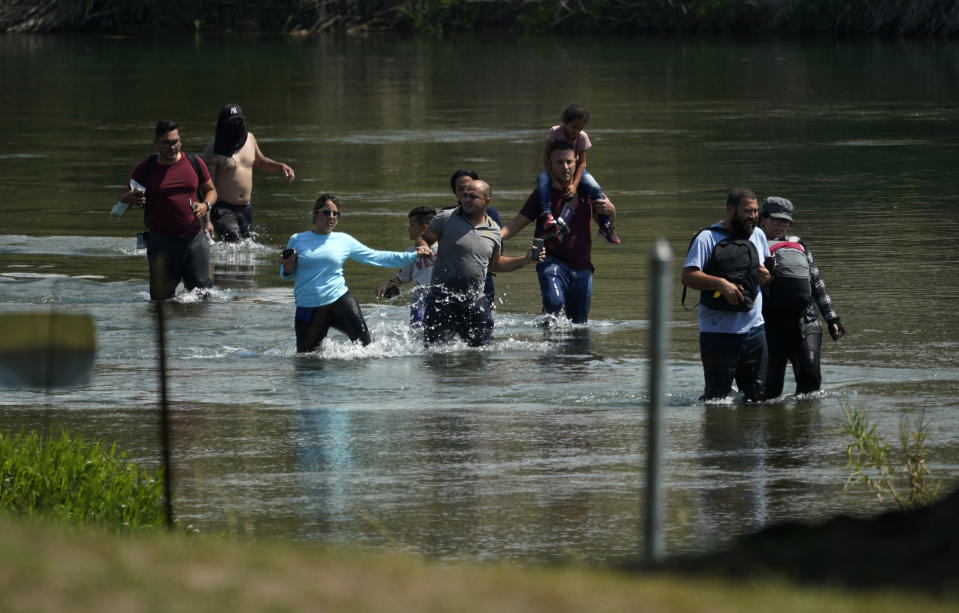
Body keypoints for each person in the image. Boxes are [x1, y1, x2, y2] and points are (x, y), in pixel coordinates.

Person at [281, 194, 432, 353]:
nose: (331, 217)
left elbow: (376, 257)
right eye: (326, 212)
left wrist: (414, 255)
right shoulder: (297, 239)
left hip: (339, 302)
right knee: (305, 361)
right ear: (316, 213)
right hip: (308, 306)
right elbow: (286, 274)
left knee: (367, 350)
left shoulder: (344, 240)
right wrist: (287, 268)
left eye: (336, 214)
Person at [500, 140, 618, 325]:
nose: (565, 167)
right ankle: (549, 350)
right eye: (559, 162)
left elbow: (605, 222)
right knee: (554, 305)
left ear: (576, 161)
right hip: (551, 262)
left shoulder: (587, 191)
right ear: (549, 164)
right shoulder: (541, 195)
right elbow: (515, 225)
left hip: (582, 267)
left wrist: (611, 211)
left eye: (569, 161)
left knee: (579, 324)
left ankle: (573, 354)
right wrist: (488, 237)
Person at [416, 180, 543, 346]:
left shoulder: (494, 231)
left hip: (474, 301)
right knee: (433, 353)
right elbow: (423, 237)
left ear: (487, 201)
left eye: (473, 197)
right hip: (442, 299)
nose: (466, 200)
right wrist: (423, 247)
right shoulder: (446, 218)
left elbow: (495, 265)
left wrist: (526, 260)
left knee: (481, 352)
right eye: (465, 195)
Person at [682, 188, 773, 402]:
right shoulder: (707, 238)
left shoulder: (758, 235)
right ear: (731, 210)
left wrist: (766, 277)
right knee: (717, 400)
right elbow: (688, 276)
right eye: (747, 212)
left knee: (758, 398)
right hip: (718, 333)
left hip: (755, 331)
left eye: (756, 211)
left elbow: (767, 278)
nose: (753, 217)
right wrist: (720, 284)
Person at [120, 119, 218, 301]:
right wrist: (132, 199)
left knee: (204, 298)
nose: (172, 147)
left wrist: (205, 206)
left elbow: (211, 191)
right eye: (166, 143)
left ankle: (198, 330)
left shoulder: (194, 162)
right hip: (161, 244)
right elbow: (124, 198)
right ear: (156, 143)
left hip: (194, 240)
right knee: (161, 301)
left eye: (175, 142)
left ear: (180, 140)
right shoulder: (145, 168)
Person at [759, 196, 845, 398]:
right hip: (769, 324)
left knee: (811, 384)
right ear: (762, 218)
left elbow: (816, 282)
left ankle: (805, 425)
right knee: (769, 392)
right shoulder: (751, 245)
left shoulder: (799, 245)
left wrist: (832, 318)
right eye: (776, 220)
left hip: (806, 321)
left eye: (785, 222)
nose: (781, 226)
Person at [203, 103, 295, 242]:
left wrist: (281, 166)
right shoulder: (214, 148)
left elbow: (261, 162)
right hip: (222, 208)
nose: (235, 125)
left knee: (247, 249)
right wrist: (207, 221)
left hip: (245, 208)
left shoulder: (250, 139)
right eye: (231, 122)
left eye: (238, 121)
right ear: (223, 124)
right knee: (234, 242)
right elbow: (206, 187)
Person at [535, 104, 620, 245]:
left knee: (595, 188)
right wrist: (554, 178)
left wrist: (574, 185)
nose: (577, 131)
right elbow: (546, 158)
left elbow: (581, 163)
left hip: (576, 170)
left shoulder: (582, 137)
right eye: (574, 127)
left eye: (580, 128)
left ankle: (605, 225)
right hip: (555, 169)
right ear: (565, 122)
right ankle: (547, 214)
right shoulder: (555, 132)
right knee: (542, 180)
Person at [446, 169, 501, 309]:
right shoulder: (446, 216)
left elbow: (497, 254)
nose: (466, 195)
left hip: (483, 278)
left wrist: (526, 259)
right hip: (451, 281)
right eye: (461, 190)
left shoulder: (491, 215)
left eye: (470, 189)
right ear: (455, 193)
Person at [375, 206, 438, 327]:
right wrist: (386, 286)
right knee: (417, 338)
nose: (408, 229)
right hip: (418, 305)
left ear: (424, 228)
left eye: (412, 225)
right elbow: (401, 278)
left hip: (439, 303)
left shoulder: (445, 248)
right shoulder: (411, 253)